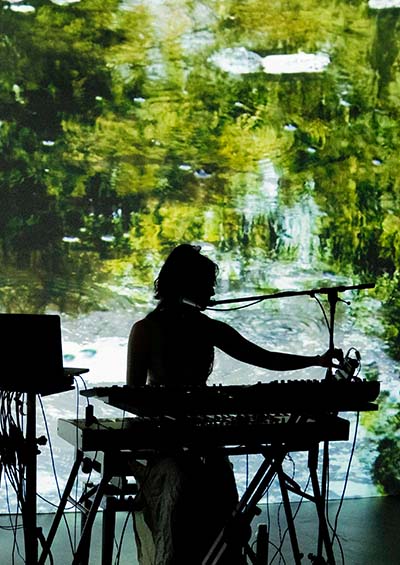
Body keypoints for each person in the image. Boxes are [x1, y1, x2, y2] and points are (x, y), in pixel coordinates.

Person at [126, 243, 339, 565]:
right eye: (207, 284)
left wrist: (315, 360)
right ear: (187, 285)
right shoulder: (148, 330)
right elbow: (134, 398)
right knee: (189, 486)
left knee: (220, 489)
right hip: (165, 447)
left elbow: (262, 357)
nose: (212, 291)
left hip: (200, 440)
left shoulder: (201, 327)